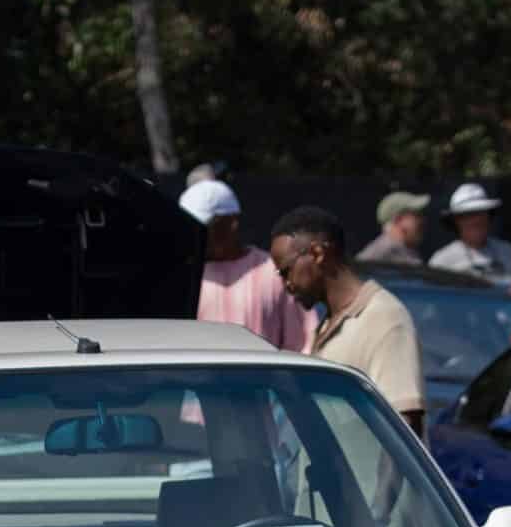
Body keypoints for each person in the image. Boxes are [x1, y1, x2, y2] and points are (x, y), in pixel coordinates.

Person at [268, 203, 425, 435]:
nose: (286, 284)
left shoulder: (384, 318)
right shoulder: (327, 324)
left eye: (285, 271)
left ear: (318, 254)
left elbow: (404, 428)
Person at [178, 177, 311, 351]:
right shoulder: (182, 277)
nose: (196, 234)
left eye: (204, 227)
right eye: (190, 226)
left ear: (232, 223)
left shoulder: (275, 271)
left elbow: (302, 343)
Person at [429, 182, 511, 295]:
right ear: (457, 221)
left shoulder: (506, 250)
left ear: (489, 216)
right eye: (468, 215)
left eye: (480, 213)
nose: (476, 220)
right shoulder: (442, 260)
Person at [356, 189, 429, 267]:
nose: (423, 221)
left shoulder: (405, 250)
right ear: (398, 219)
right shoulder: (382, 252)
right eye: (418, 215)